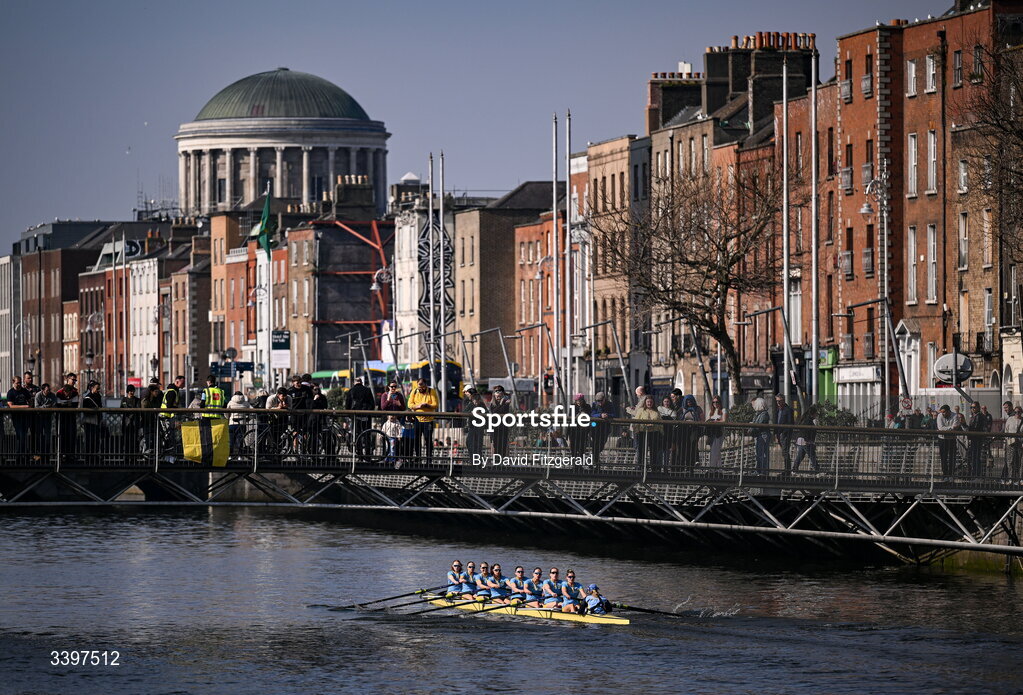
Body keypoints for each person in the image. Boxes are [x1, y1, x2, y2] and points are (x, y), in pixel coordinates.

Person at [408, 378, 439, 464]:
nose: (420, 388)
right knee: (417, 439)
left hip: (428, 420)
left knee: (428, 439)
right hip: (417, 419)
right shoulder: (414, 391)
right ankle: (418, 457)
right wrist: (418, 406)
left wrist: (427, 405)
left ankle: (429, 459)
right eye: (419, 386)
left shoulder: (431, 391)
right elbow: (410, 404)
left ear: (425, 385)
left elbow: (435, 404)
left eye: (422, 386)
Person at [632, 395, 662, 471]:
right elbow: (636, 420)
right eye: (648, 402)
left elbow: (660, 422)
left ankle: (654, 467)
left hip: (653, 432)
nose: (649, 403)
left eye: (651, 402)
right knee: (641, 450)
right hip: (642, 432)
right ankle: (641, 466)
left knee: (654, 450)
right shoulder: (641, 410)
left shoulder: (656, 411)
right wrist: (636, 430)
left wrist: (661, 432)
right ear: (645, 402)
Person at [54, 373, 80, 459]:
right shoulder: (59, 392)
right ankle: (61, 454)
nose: (74, 382)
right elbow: (58, 405)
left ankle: (71, 454)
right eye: (73, 380)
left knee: (72, 435)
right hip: (62, 418)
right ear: (67, 379)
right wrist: (68, 404)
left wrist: (64, 404)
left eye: (75, 380)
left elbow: (75, 405)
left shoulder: (75, 392)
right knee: (62, 436)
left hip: (71, 417)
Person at [6, 376, 32, 453]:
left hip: (25, 416)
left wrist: (29, 405)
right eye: (17, 383)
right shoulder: (10, 392)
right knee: (19, 434)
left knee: (24, 434)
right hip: (16, 417)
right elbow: (11, 406)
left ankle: (23, 452)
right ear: (13, 382)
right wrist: (24, 406)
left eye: (20, 383)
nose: (19, 384)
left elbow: (30, 401)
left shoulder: (25, 391)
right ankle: (21, 452)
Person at [590, 392, 617, 466]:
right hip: (595, 427)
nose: (599, 403)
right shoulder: (594, 404)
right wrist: (600, 415)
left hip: (605, 428)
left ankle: (594, 459)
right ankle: (595, 460)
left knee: (601, 444)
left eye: (601, 401)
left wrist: (607, 415)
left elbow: (614, 414)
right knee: (595, 444)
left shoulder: (610, 404)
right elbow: (592, 414)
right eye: (598, 401)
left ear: (604, 399)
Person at [792, 404, 821, 474]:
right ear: (812, 414)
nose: (816, 415)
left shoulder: (805, 419)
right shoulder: (808, 421)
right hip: (805, 441)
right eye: (816, 413)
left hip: (801, 440)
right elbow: (805, 431)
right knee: (812, 455)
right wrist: (808, 441)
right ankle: (817, 470)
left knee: (801, 455)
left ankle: (794, 469)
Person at [679, 395, 702, 471]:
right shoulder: (683, 409)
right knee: (686, 446)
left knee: (693, 445)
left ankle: (693, 464)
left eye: (690, 401)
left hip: (694, 429)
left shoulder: (697, 408)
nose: (689, 403)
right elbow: (680, 419)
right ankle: (686, 465)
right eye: (687, 401)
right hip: (685, 429)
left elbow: (702, 419)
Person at [1000, 401, 1021, 483]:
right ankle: (1008, 478)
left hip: (1017, 443)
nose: (1005, 409)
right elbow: (1006, 430)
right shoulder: (1010, 418)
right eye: (1004, 408)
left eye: (1006, 407)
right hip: (1011, 443)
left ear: (1011, 407)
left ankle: (1008, 478)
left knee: (1013, 461)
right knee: (1010, 461)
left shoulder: (1015, 417)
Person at [936, 404, 959, 479]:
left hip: (952, 439)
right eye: (942, 412)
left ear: (949, 411)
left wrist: (945, 429)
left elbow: (955, 426)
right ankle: (945, 474)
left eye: (944, 412)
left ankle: (951, 474)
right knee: (943, 458)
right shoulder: (940, 416)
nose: (943, 414)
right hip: (942, 439)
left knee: (952, 457)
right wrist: (951, 428)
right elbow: (940, 427)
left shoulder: (955, 415)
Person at [464, 389, 487, 460]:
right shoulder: (471, 404)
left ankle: (477, 463)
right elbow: (464, 412)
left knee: (478, 446)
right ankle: (473, 460)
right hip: (472, 427)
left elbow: (487, 413)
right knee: (469, 443)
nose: (476, 402)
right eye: (474, 400)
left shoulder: (482, 405)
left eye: (477, 400)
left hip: (479, 427)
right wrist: (471, 412)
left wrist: (480, 412)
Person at [34, 382, 56, 456]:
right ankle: (38, 455)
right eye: (47, 390)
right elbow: (36, 407)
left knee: (47, 437)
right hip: (39, 418)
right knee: (39, 436)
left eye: (49, 390)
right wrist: (46, 407)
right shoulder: (38, 395)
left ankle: (46, 455)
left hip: (48, 418)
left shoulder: (52, 395)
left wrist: (44, 407)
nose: (48, 391)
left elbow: (54, 405)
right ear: (43, 390)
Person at [489, 385, 512, 457]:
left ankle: (502, 465)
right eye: (496, 393)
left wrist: (503, 404)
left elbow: (502, 411)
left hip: (503, 428)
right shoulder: (492, 403)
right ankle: (496, 464)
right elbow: (494, 412)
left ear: (502, 394)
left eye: (500, 394)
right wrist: (502, 404)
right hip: (495, 429)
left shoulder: (506, 402)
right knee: (495, 447)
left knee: (503, 448)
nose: (498, 396)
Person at [82, 380, 103, 454]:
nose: (98, 390)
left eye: (99, 389)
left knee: (96, 439)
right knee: (89, 439)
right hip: (89, 421)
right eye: (97, 389)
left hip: (96, 420)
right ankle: (88, 454)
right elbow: (85, 409)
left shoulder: (98, 396)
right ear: (92, 388)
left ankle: (95, 453)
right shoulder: (87, 398)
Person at [119, 384, 142, 454]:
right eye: (130, 391)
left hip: (134, 423)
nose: (131, 392)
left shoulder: (137, 400)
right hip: (126, 423)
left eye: (132, 391)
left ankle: (133, 457)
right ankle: (126, 456)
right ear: (127, 392)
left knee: (134, 440)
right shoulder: (124, 399)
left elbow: (138, 409)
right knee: (126, 440)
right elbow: (121, 408)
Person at [751, 397, 771, 475]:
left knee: (762, 454)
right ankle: (759, 470)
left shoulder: (764, 414)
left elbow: (759, 425)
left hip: (763, 435)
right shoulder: (758, 414)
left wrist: (752, 427)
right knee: (759, 453)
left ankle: (763, 471)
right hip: (760, 435)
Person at [706, 395, 727, 468]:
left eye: (716, 402)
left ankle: (712, 468)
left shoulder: (723, 410)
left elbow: (724, 420)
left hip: (719, 432)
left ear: (720, 402)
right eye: (713, 402)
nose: (715, 403)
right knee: (714, 450)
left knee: (716, 450)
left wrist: (716, 421)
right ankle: (718, 469)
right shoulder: (711, 412)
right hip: (712, 432)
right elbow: (707, 421)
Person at [966, 401, 985, 478]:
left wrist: (968, 429)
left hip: (977, 438)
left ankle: (976, 474)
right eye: (971, 407)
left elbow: (975, 427)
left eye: (974, 407)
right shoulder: (975, 416)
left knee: (976, 457)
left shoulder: (978, 416)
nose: (972, 409)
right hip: (975, 438)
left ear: (978, 407)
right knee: (974, 457)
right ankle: (975, 474)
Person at [569, 393, 591, 458]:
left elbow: (590, 416)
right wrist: (578, 415)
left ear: (583, 400)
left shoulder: (587, 406)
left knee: (582, 448)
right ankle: (574, 464)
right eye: (577, 400)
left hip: (583, 430)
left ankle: (580, 465)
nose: (578, 402)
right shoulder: (572, 406)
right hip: (574, 430)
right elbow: (570, 416)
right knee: (573, 448)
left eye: (580, 400)